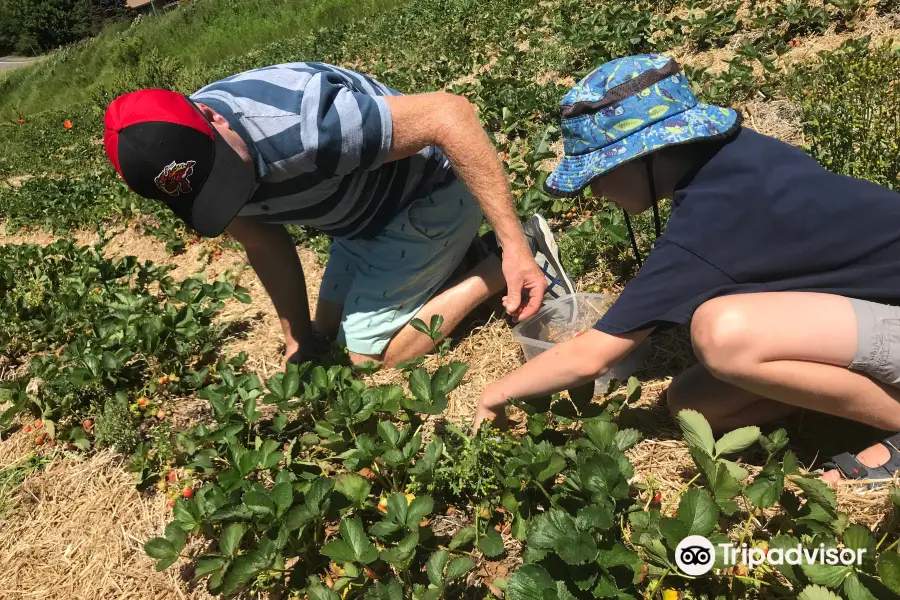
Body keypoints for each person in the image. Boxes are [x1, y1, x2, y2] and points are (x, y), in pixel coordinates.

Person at [474, 53, 900, 485]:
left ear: (647, 155)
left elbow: (591, 357)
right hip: (877, 310)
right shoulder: (738, 154)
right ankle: (850, 404)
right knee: (692, 403)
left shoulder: (712, 220)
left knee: (723, 333)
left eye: (600, 172)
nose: (596, 190)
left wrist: (496, 394)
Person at [102, 62, 575, 368]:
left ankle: (497, 264)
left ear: (214, 118)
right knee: (324, 329)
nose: (232, 194)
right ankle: (455, 260)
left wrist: (511, 242)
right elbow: (263, 240)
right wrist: (296, 339)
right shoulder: (191, 169)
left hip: (428, 193)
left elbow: (451, 116)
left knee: (369, 357)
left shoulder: (308, 125)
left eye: (225, 174)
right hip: (358, 220)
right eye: (212, 194)